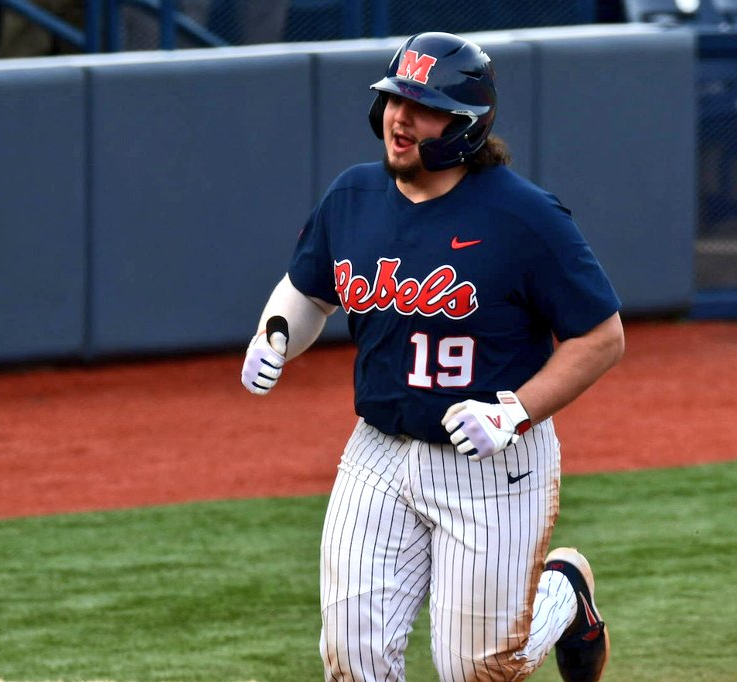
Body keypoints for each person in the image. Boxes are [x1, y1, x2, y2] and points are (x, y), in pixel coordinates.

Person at [241, 31, 624, 682]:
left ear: (466, 124)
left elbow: (601, 337)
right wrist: (272, 333)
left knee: (477, 669)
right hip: (378, 455)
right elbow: (308, 291)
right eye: (395, 99)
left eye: (423, 106)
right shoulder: (354, 197)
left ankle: (563, 593)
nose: (400, 116)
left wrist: (514, 412)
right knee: (353, 661)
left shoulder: (525, 218)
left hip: (493, 469)